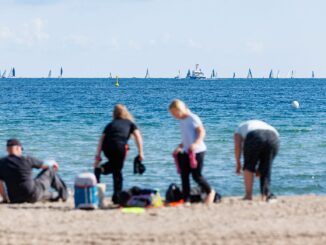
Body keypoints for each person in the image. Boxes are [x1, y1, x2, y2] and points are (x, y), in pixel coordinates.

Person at [93, 104, 144, 204]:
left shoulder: (110, 124)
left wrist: (98, 157)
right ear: (126, 113)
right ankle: (117, 197)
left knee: (115, 167)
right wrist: (140, 152)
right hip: (119, 147)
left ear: (114, 114)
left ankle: (101, 169)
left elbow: (101, 140)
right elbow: (138, 136)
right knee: (118, 172)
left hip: (107, 147)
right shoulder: (130, 123)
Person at [169, 99, 215, 204]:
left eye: (174, 113)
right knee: (184, 175)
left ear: (179, 109)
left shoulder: (193, 118)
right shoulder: (182, 121)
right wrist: (179, 147)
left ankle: (210, 191)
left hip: (198, 151)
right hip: (186, 151)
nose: (174, 116)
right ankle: (186, 200)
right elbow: (187, 137)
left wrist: (195, 144)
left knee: (196, 176)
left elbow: (202, 132)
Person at [0, 139, 68, 203]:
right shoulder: (27, 159)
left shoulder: (2, 163)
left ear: (7, 149)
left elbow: (0, 182)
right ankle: (64, 195)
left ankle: (54, 195)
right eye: (21, 149)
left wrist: (5, 198)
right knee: (50, 171)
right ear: (18, 148)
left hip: (15, 198)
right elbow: (45, 165)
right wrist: (53, 162)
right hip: (32, 194)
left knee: (48, 194)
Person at [234, 120, 280, 201]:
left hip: (255, 135)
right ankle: (265, 195)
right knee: (266, 168)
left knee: (249, 165)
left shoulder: (239, 129)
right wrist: (260, 168)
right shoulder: (263, 125)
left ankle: (248, 195)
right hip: (274, 136)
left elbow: (237, 145)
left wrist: (238, 163)